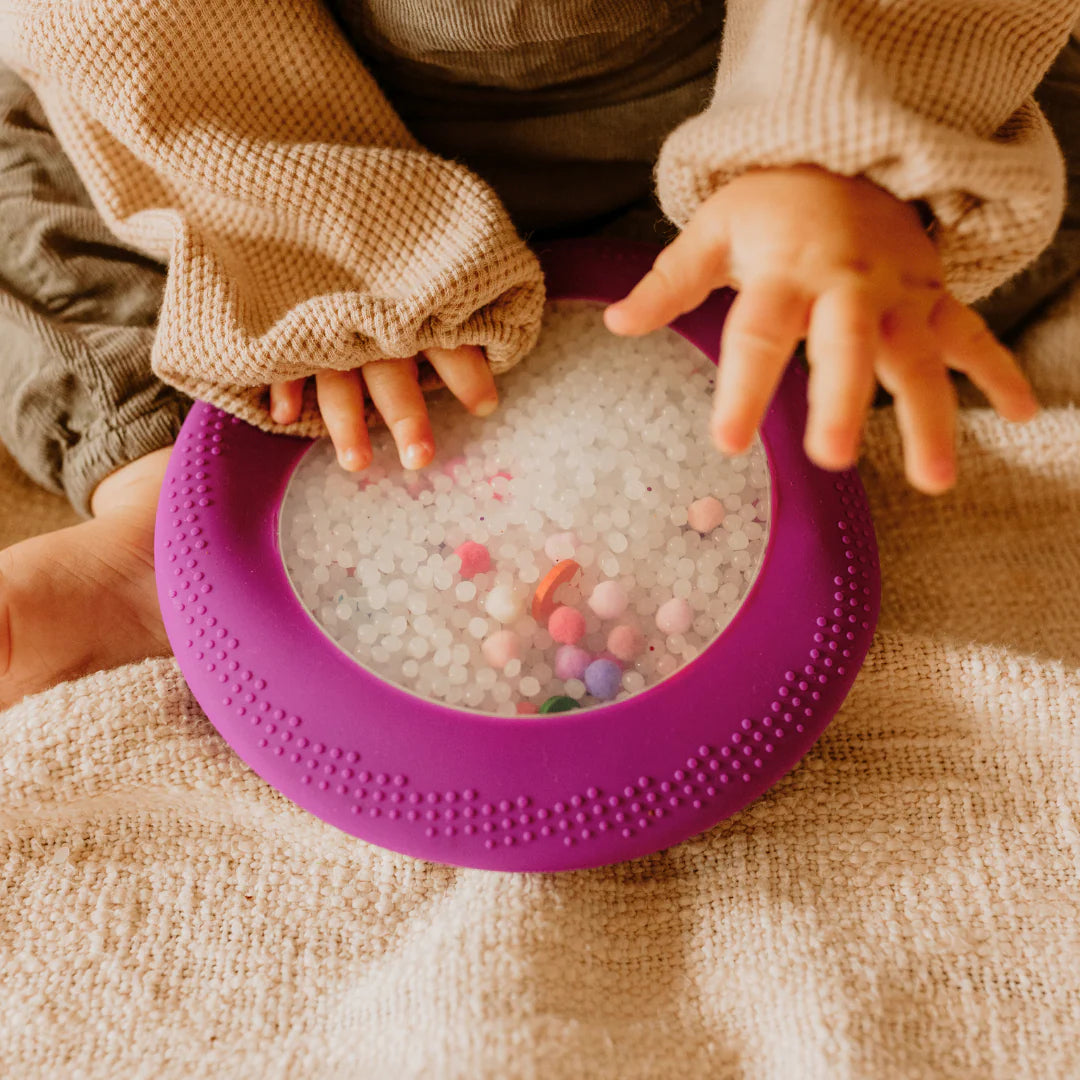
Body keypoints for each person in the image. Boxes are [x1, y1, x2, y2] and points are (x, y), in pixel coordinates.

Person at [1, 1, 1078, 709]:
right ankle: (185, 495)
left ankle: (832, 307)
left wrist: (836, 143)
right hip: (247, 144)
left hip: (749, 107)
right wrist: (304, 236)